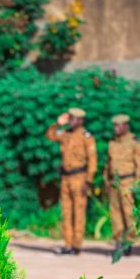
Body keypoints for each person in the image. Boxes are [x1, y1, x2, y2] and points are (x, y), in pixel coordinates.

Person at [46, 108, 97, 255]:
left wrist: (89, 180)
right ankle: (68, 244)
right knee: (66, 212)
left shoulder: (86, 136)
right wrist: (57, 123)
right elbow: (50, 135)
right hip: (65, 178)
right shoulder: (66, 134)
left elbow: (92, 160)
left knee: (78, 212)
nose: (71, 121)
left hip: (79, 178)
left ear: (81, 120)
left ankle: (76, 245)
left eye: (74, 119)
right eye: (70, 118)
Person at [105, 114, 140, 254]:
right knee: (115, 213)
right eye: (114, 125)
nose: (116, 128)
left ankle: (129, 242)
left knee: (128, 213)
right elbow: (108, 164)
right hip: (114, 182)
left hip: (128, 181)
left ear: (126, 126)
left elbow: (139, 165)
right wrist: (106, 181)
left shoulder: (135, 142)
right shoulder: (112, 143)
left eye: (119, 125)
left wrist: (137, 184)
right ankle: (119, 241)